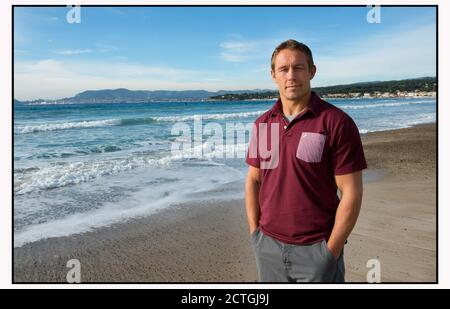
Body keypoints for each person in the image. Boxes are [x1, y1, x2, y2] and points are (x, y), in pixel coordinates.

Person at [245, 39, 367, 282]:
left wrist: (330, 252)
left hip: (317, 249)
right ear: (273, 75)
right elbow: (254, 180)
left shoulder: (335, 122)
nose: (291, 75)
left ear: (311, 71)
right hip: (267, 246)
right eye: (283, 69)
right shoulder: (264, 124)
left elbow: (351, 192)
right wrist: (255, 234)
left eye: (298, 68)